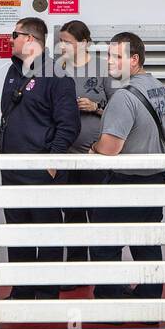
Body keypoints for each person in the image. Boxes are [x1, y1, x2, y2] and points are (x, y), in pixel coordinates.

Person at [89, 31, 165, 301]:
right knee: (147, 243)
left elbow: (110, 148)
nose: (109, 62)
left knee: (105, 244)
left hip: (126, 181)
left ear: (134, 59)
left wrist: (93, 147)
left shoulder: (123, 97)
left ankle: (109, 304)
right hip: (156, 179)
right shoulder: (160, 88)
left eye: (116, 57)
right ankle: (149, 301)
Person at [0, 17, 79, 300]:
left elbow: (69, 124)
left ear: (30, 39)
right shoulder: (13, 71)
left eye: (15, 35)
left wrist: (53, 162)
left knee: (46, 234)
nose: (11, 40)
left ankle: (46, 292)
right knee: (17, 234)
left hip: (42, 171)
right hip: (11, 169)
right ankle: (21, 289)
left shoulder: (57, 76)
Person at [54, 20, 114, 263]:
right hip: (66, 154)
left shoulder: (103, 69)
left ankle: (101, 266)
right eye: (61, 41)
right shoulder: (57, 69)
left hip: (95, 154)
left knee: (98, 211)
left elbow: (120, 107)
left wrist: (95, 106)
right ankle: (76, 266)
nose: (62, 46)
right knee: (72, 212)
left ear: (85, 43)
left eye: (68, 42)